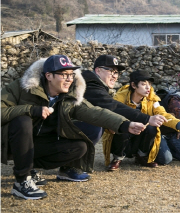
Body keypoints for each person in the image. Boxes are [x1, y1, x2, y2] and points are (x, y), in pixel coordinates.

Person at [1, 54, 145, 199]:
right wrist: (31, 110)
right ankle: (22, 182)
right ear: (49, 76)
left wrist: (125, 124)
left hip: (37, 144)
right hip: (9, 142)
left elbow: (94, 112)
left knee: (79, 147)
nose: (69, 79)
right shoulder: (21, 87)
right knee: (22, 121)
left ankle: (30, 167)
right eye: (64, 75)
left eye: (71, 74)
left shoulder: (69, 96)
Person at [101, 70, 180, 171]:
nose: (148, 88)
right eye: (143, 84)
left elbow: (162, 113)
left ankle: (141, 156)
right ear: (133, 85)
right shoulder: (120, 97)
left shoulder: (152, 98)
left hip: (139, 135)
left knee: (152, 128)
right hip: (122, 137)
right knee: (122, 125)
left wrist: (179, 124)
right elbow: (110, 115)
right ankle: (117, 158)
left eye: (150, 84)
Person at [79, 54, 168, 151]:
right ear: (98, 70)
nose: (114, 76)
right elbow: (113, 106)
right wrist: (147, 118)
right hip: (63, 131)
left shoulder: (96, 85)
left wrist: (179, 124)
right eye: (111, 71)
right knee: (95, 128)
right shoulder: (91, 85)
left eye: (116, 72)